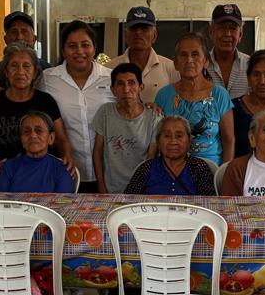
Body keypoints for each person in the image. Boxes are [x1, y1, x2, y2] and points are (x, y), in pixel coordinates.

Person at [0, 43, 69, 182]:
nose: (20, 72)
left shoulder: (45, 101)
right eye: (14, 66)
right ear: (6, 72)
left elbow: (61, 139)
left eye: (26, 66)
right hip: (5, 175)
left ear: (35, 73)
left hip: (42, 173)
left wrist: (67, 157)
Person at [39, 21, 113, 191]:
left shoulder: (111, 78)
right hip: (67, 170)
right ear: (63, 51)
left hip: (108, 172)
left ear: (94, 48)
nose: (79, 51)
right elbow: (26, 95)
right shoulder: (47, 79)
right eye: (72, 46)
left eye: (85, 45)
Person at [153, 33, 234, 166]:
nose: (189, 60)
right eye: (183, 55)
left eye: (195, 54)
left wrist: (225, 173)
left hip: (211, 169)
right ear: (175, 63)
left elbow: (229, 140)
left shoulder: (219, 94)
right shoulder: (164, 95)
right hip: (172, 169)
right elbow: (157, 140)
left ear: (206, 61)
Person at [92, 63, 161, 194]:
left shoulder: (153, 118)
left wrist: (142, 189)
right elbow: (97, 152)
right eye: (120, 84)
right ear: (113, 90)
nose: (126, 89)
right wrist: (101, 185)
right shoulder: (105, 112)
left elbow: (151, 159)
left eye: (131, 83)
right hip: (110, 189)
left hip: (141, 189)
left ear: (141, 87)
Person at [124, 116, 216, 196]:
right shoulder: (146, 168)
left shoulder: (199, 167)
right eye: (167, 136)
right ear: (158, 142)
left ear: (189, 141)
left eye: (179, 136)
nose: (173, 141)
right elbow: (127, 201)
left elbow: (210, 203)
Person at [106, 6, 177, 102]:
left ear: (154, 36)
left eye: (144, 29)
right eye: (134, 28)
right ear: (126, 35)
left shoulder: (171, 69)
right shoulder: (109, 69)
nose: (138, 33)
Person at [0, 111, 76, 194]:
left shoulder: (62, 169)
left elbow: (64, 201)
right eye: (26, 131)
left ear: (51, 138)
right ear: (21, 140)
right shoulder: (8, 167)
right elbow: (0, 199)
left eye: (39, 130)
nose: (33, 135)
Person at [0, 12, 50, 89]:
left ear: (34, 39)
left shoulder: (47, 70)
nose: (19, 37)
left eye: (24, 32)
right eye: (14, 32)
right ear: (5, 39)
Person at [207, 3, 250, 97]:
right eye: (221, 28)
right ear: (211, 32)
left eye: (233, 28)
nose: (227, 34)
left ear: (240, 35)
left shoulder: (250, 65)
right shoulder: (200, 65)